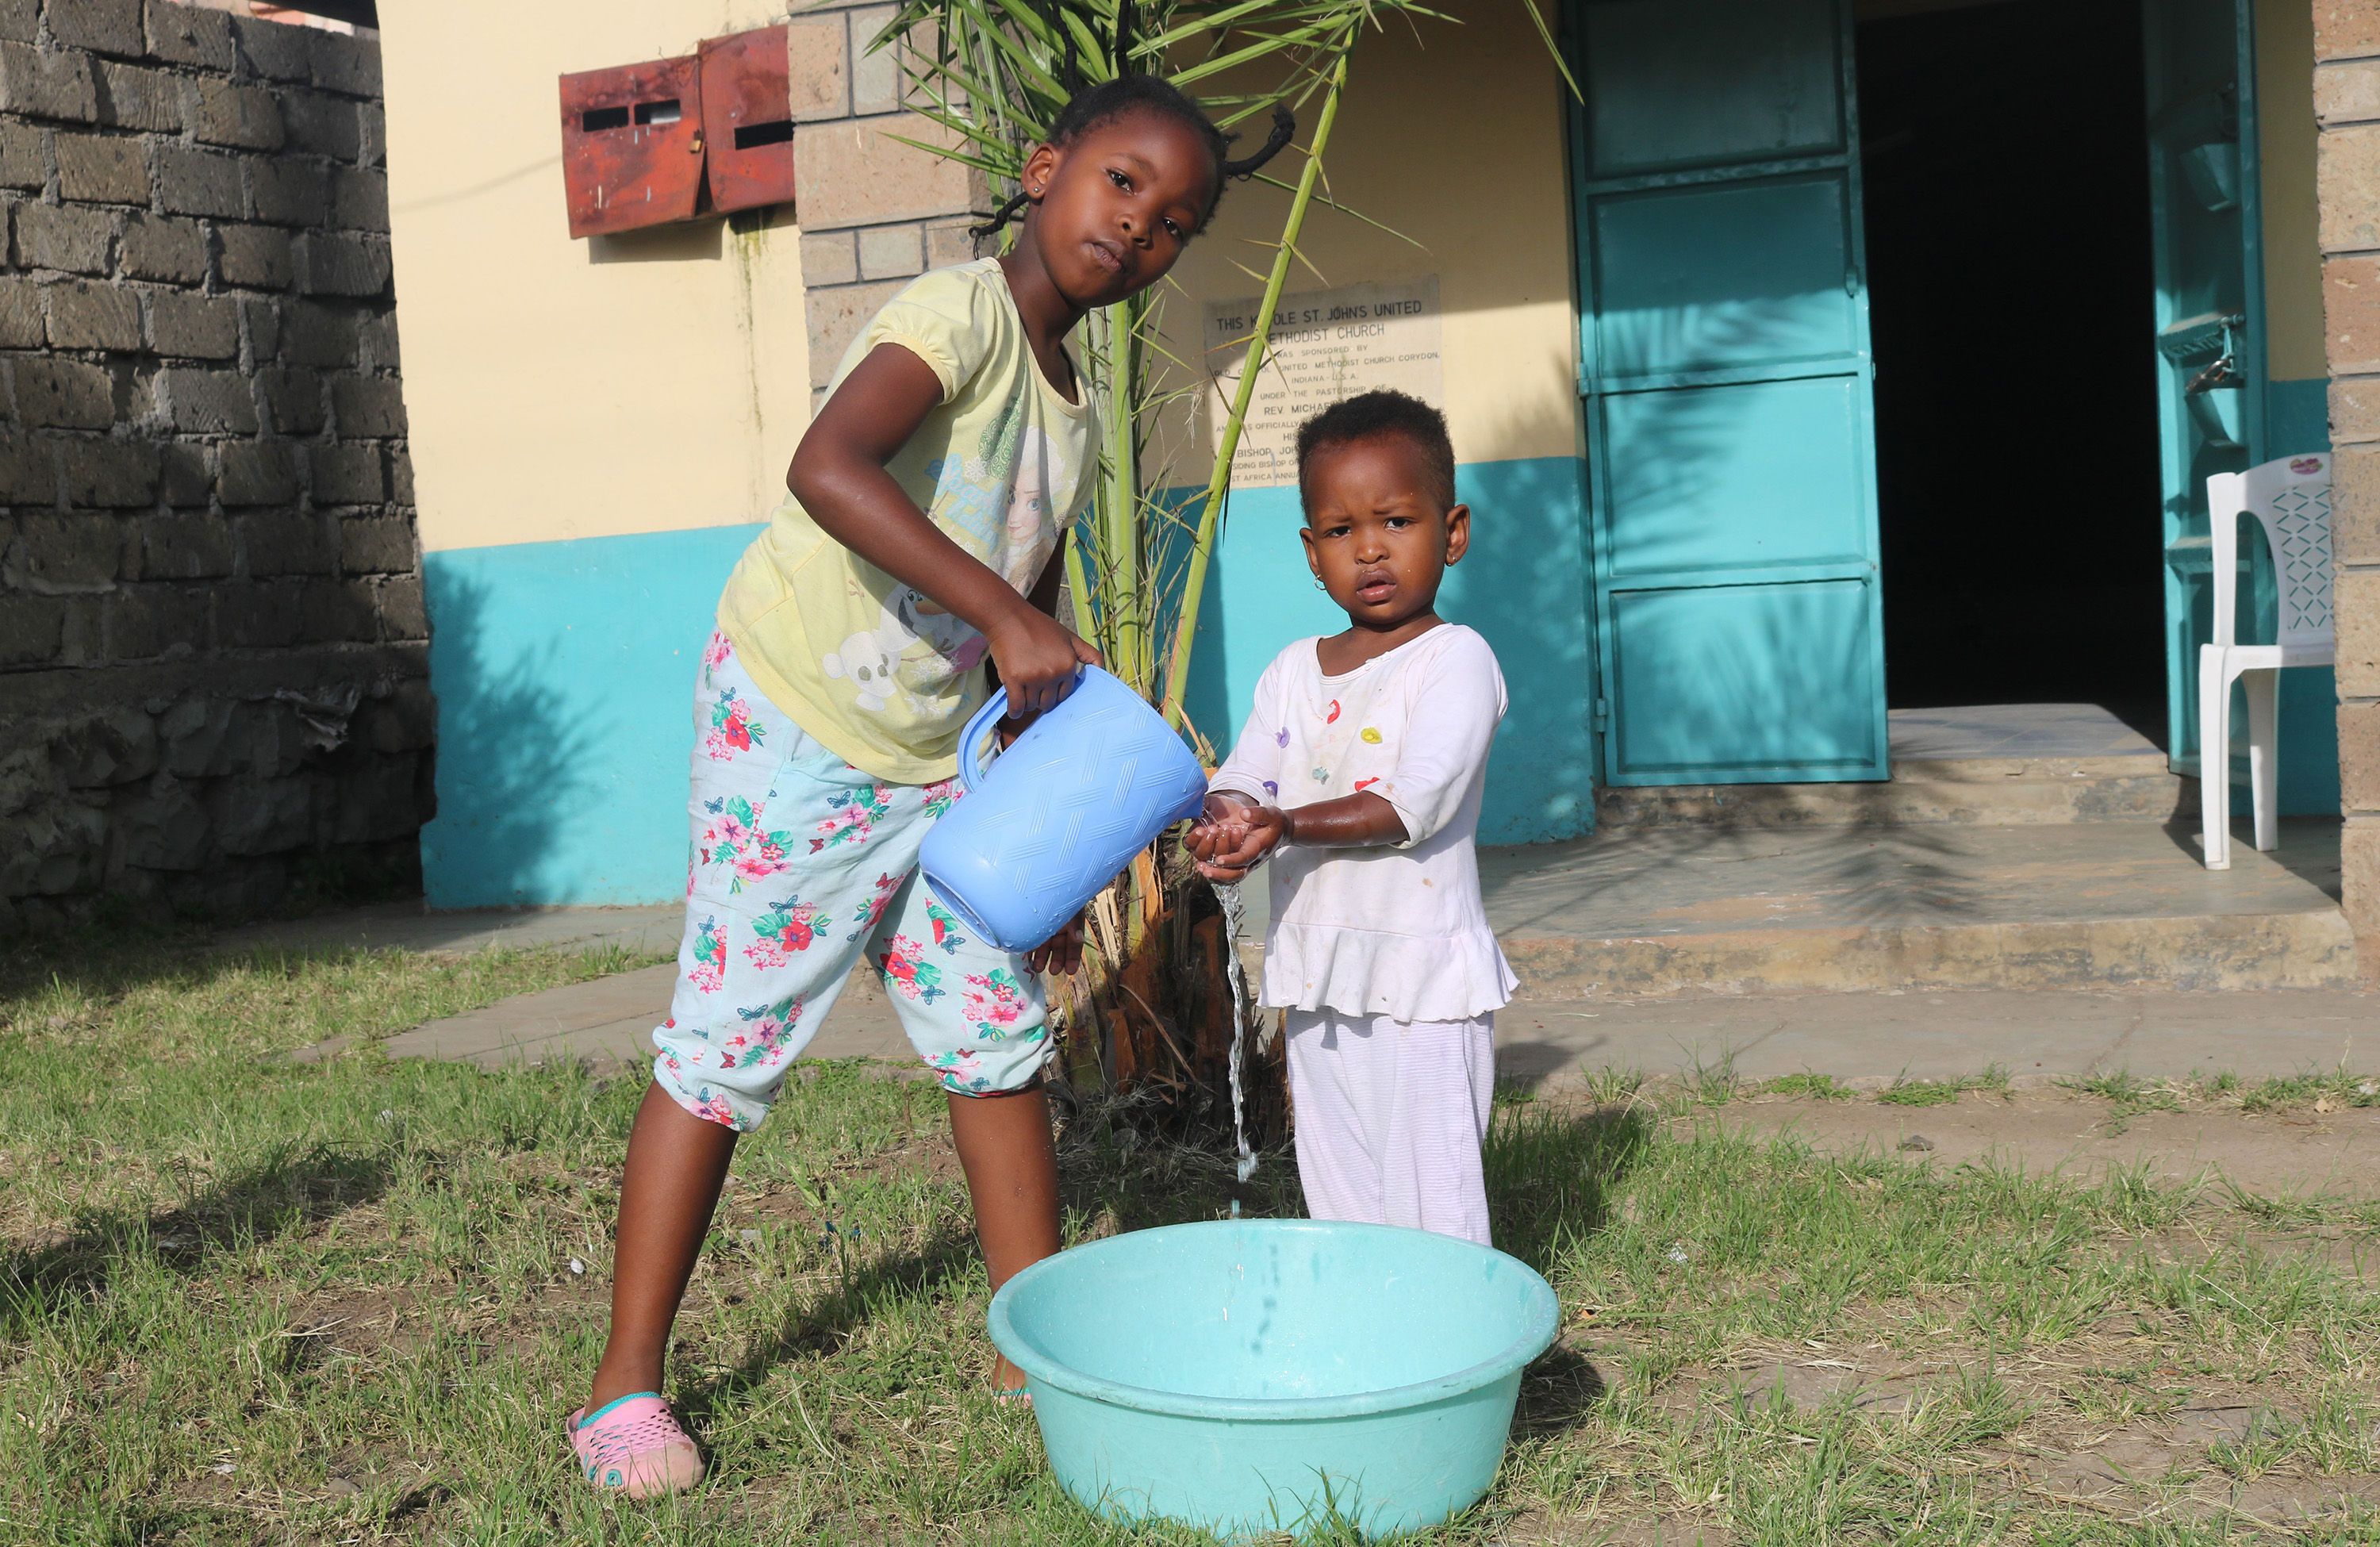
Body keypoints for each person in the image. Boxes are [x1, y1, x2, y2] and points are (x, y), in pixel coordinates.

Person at [569, 75, 1242, 1499]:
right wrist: (1006, 613)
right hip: (801, 728)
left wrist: (1032, 834)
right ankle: (624, 1388)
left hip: (939, 769)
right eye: (1122, 183)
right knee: (728, 1045)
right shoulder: (957, 315)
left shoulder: (1074, 404)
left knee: (995, 1029)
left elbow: (1034, 647)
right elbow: (829, 464)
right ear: (1047, 164)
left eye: (1174, 221)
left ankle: (1029, 1340)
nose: (1138, 229)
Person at [1188, 390, 1515, 1248]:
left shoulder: (1455, 661)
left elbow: (1416, 803)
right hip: (1321, 968)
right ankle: (1371, 1348)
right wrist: (1223, 818)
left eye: (1397, 521)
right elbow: (1246, 775)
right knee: (1340, 1190)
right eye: (1340, 531)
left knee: (1432, 1192)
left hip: (1423, 981)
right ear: (1310, 551)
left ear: (1453, 532)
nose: (1368, 548)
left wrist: (1282, 826)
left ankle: (1455, 1357)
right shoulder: (1293, 671)